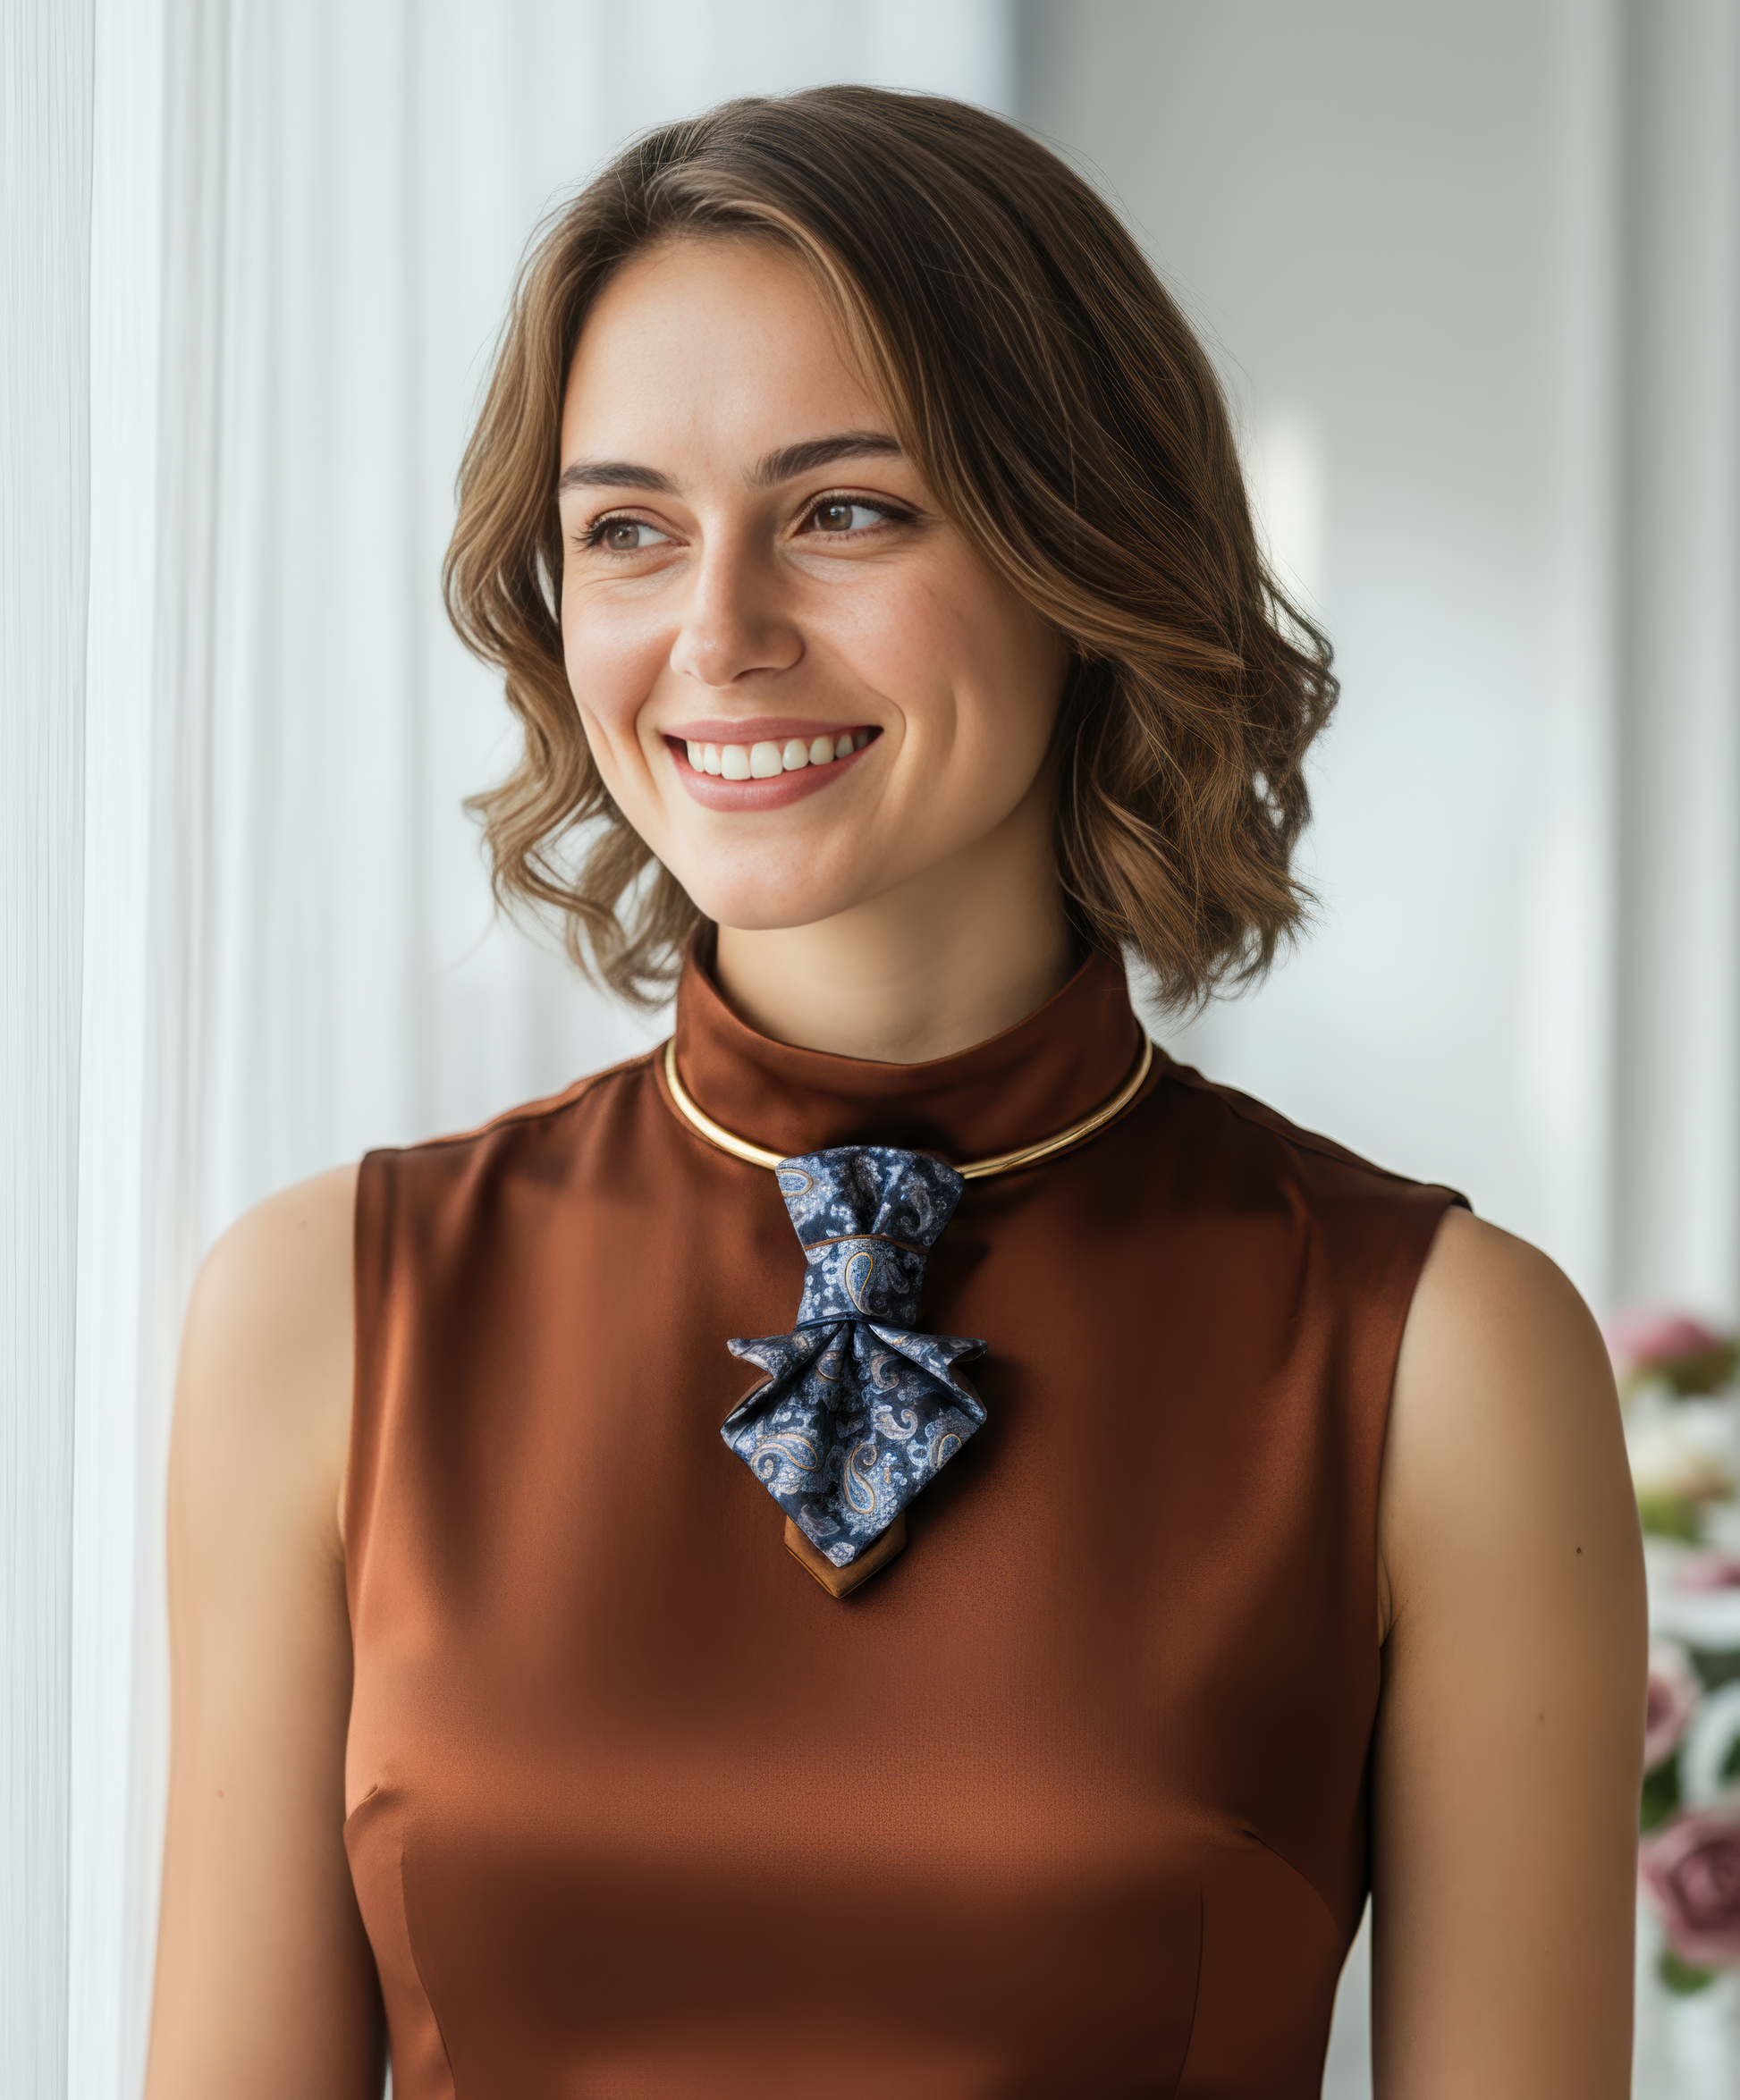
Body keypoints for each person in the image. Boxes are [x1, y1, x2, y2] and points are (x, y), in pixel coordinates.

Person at [145, 86, 1646, 2098]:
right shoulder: (321, 1309)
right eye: (626, 532)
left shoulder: (1441, 1358)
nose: (720, 633)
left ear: (1081, 548)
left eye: (845, 509)